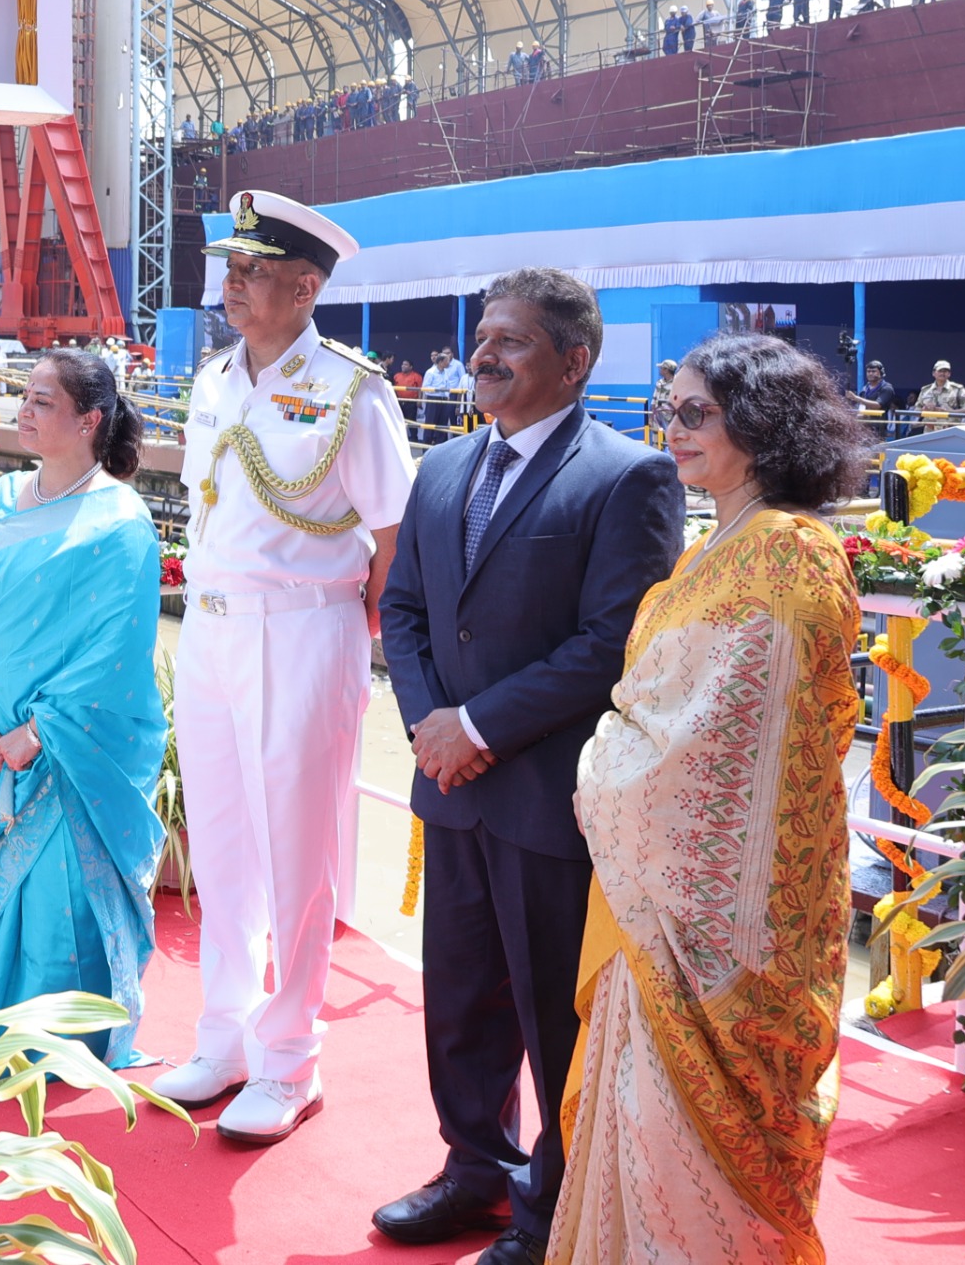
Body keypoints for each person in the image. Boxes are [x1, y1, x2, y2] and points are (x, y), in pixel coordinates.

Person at [372, 269, 684, 1265]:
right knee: (458, 996)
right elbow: (405, 609)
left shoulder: (627, 476)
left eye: (511, 337)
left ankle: (551, 1209)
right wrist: (431, 723)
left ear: (574, 360)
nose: (484, 351)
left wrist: (478, 725)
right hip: (450, 784)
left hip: (548, 794)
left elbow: (610, 641)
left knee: (557, 1010)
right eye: (480, 333)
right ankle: (472, 1171)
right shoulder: (441, 464)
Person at [548, 333, 869, 1265]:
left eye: (696, 413)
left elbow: (725, 750)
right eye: (668, 410)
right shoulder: (719, 545)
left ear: (762, 427)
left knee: (678, 1146)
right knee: (635, 1128)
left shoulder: (789, 557)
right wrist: (617, 747)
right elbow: (667, 707)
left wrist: (603, 766)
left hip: (719, 928)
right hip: (662, 913)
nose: (672, 429)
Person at [161, 190, 415, 1144]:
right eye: (230, 268)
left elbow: (393, 539)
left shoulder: (355, 390)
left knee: (297, 846)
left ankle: (291, 1055)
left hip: (307, 631)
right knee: (222, 837)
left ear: (306, 288)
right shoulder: (215, 378)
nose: (232, 284)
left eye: (253, 271)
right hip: (214, 631)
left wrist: (352, 635)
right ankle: (224, 1033)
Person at [0, 350, 167, 1067]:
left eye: (43, 401)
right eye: (26, 397)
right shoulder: (4, 498)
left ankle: (58, 1044)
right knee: (4, 898)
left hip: (68, 751)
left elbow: (115, 655)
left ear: (88, 420)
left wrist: (36, 735)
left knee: (58, 901)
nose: (24, 411)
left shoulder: (121, 522)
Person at [422, 346, 470, 444]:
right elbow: (425, 388)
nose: (449, 363)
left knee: (443, 425)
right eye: (446, 361)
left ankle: (440, 447)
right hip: (433, 400)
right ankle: (425, 449)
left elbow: (448, 385)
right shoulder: (430, 372)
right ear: (441, 362)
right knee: (430, 424)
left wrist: (447, 395)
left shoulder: (446, 372)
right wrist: (438, 390)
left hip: (445, 400)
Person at [644, 358, 679, 438]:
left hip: (671, 419)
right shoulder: (659, 383)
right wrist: (651, 418)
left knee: (670, 442)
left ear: (666, 370)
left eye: (661, 368)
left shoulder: (678, 383)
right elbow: (654, 400)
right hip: (657, 418)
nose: (660, 370)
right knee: (656, 443)